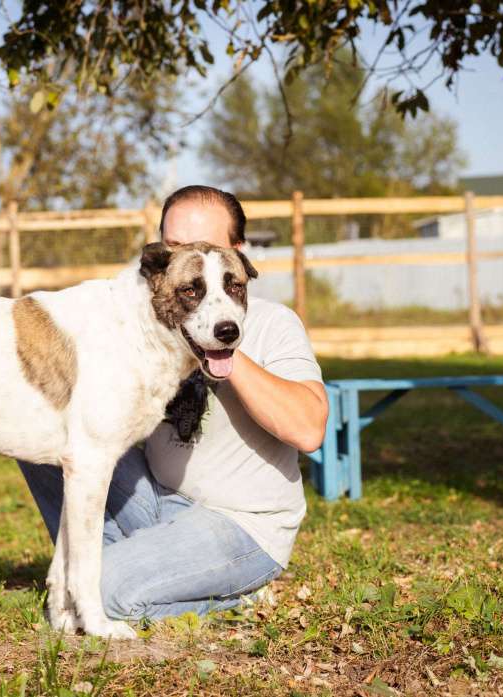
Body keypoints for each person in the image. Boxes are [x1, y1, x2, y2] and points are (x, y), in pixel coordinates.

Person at [19, 185, 328, 621]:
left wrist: (221, 344)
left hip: (239, 525)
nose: (191, 261)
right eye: (178, 249)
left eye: (210, 248)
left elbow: (309, 429)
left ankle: (231, 596)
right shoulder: (149, 324)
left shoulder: (273, 323)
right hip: (158, 500)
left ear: (238, 252)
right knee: (43, 435)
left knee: (103, 595)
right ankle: (116, 563)